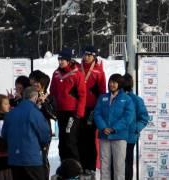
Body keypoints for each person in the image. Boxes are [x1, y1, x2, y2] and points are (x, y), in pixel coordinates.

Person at [2, 87, 51, 180]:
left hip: (14, 160)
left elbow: (4, 134)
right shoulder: (35, 112)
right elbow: (45, 134)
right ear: (35, 98)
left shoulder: (10, 113)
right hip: (32, 159)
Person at [94, 74, 135, 180]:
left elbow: (128, 117)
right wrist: (103, 127)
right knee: (104, 165)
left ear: (120, 84)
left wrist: (114, 128)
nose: (111, 84)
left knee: (119, 166)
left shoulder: (127, 99)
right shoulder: (103, 97)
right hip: (104, 136)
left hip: (119, 136)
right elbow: (97, 114)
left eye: (114, 82)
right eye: (110, 82)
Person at [50, 47, 86, 162]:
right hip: (61, 112)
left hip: (72, 113)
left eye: (63, 60)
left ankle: (75, 167)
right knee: (62, 141)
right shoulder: (56, 74)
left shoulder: (77, 74)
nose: (60, 62)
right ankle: (64, 165)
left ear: (69, 60)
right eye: (59, 59)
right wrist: (53, 108)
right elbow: (53, 92)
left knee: (69, 137)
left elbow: (82, 94)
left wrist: (79, 113)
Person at [77, 46, 106, 176]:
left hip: (91, 109)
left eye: (90, 55)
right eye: (85, 54)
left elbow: (102, 93)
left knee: (89, 138)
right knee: (79, 137)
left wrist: (98, 110)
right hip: (78, 108)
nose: (87, 57)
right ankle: (80, 165)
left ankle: (91, 166)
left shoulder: (99, 71)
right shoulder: (77, 68)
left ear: (94, 56)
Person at [29, 70, 57, 180]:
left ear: (42, 83)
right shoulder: (29, 96)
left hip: (43, 133)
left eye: (36, 82)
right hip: (29, 133)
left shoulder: (49, 97)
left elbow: (54, 115)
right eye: (32, 82)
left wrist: (44, 103)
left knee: (43, 159)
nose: (34, 84)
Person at [122, 73, 149, 180]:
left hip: (129, 138)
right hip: (116, 136)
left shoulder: (136, 100)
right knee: (118, 163)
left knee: (127, 162)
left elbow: (144, 118)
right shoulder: (115, 98)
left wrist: (135, 129)